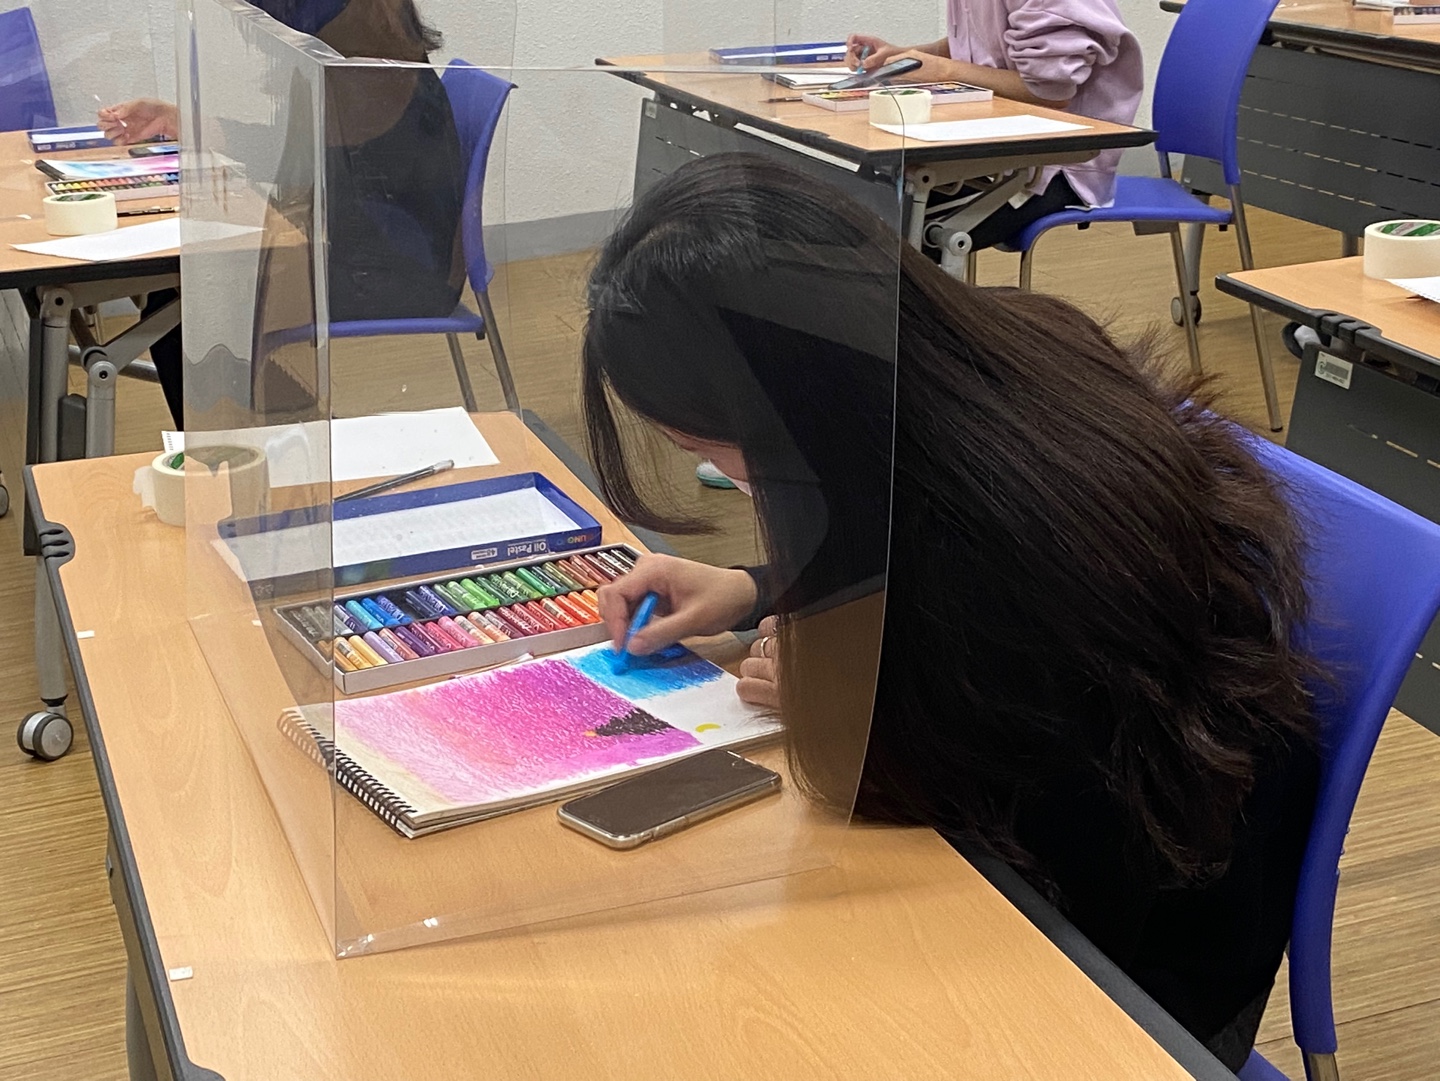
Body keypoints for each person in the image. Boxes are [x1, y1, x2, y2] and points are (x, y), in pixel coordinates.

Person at [580, 152, 1320, 1070]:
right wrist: (756, 586)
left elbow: (977, 797)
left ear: (788, 406)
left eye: (717, 446)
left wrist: (833, 696)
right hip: (1123, 842)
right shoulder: (970, 364)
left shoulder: (989, 549)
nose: (733, 475)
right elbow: (885, 555)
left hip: (1135, 970)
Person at [97, 0, 464, 428]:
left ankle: (250, 444)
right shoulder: (349, 32)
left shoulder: (370, 49)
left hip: (397, 270)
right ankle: (260, 437)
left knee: (187, 306)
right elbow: (301, 151)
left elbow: (306, 161)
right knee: (182, 299)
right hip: (359, 243)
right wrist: (183, 122)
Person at [845, 0, 1144, 251]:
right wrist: (903, 55)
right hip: (996, 149)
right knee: (855, 208)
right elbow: (977, 43)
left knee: (890, 240)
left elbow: (1050, 91)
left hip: (1055, 168)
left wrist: (942, 70)